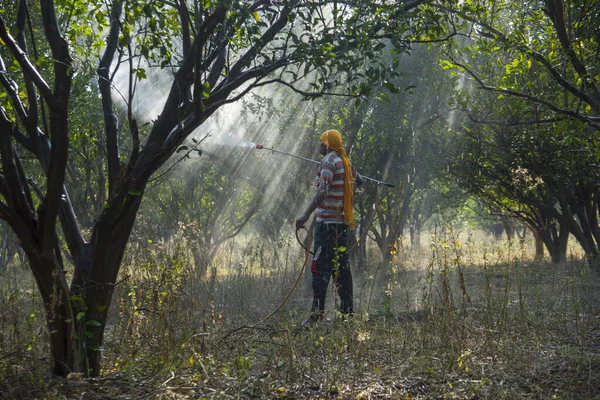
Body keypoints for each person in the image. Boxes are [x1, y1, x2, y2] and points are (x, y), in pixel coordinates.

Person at [296, 129, 363, 328]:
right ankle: (347, 314)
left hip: (326, 228)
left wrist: (306, 215)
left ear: (326, 144)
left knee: (319, 269)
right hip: (341, 226)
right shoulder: (345, 162)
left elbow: (323, 191)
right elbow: (361, 183)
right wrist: (348, 205)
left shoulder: (329, 162)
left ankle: (316, 316)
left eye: (320, 142)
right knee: (342, 270)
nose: (318, 145)